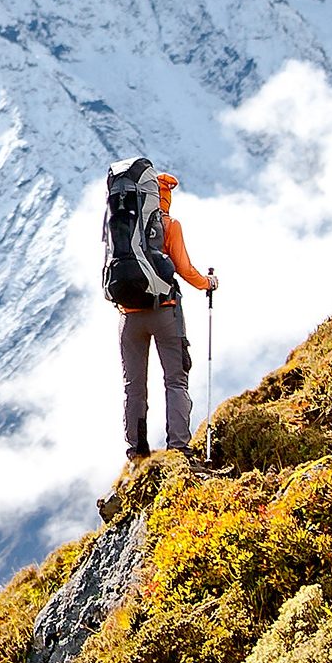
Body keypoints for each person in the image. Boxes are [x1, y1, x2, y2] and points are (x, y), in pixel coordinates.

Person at [116, 169, 219, 460]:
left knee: (134, 387)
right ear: (165, 195)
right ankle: (178, 448)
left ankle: (136, 451)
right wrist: (208, 283)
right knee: (175, 380)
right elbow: (184, 270)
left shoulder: (120, 224)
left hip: (128, 315)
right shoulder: (168, 224)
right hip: (165, 311)